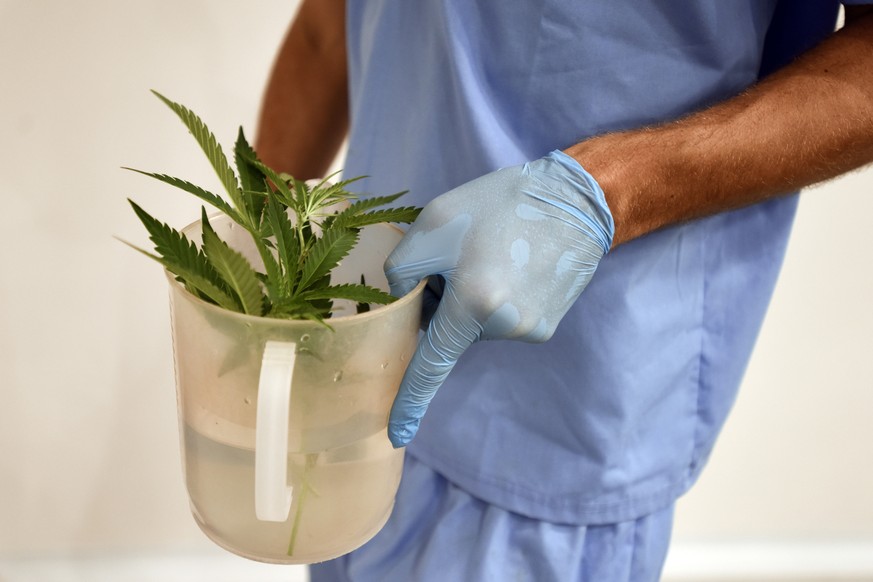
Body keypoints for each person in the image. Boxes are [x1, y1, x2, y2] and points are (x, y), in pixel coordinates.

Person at [256, 1, 873, 580]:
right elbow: (328, 27)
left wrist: (601, 193)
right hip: (348, 365)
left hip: (550, 422)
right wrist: (256, 258)